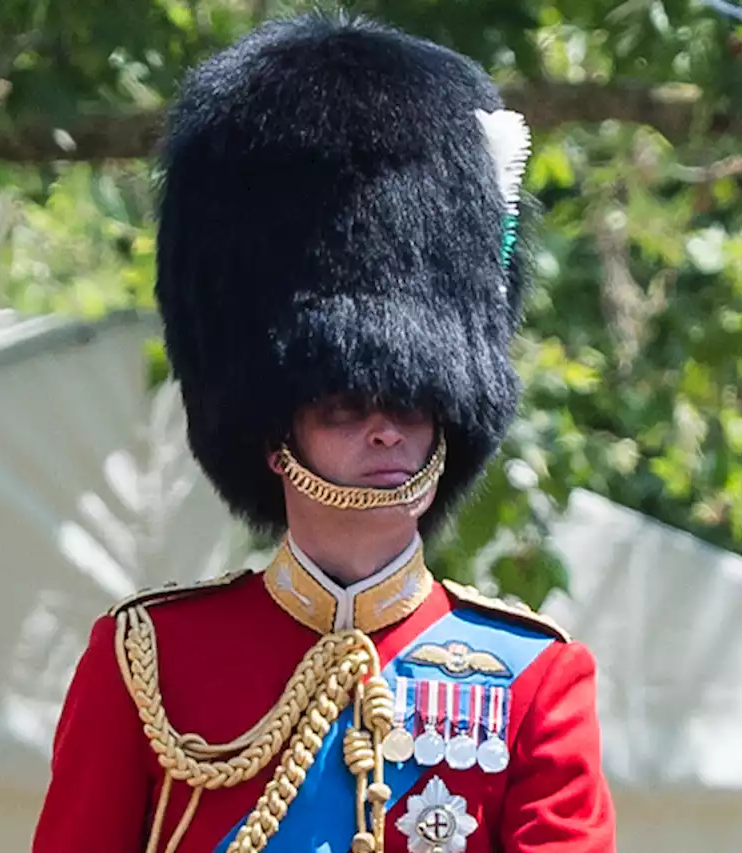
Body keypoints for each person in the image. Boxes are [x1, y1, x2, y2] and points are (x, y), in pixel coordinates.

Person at [32, 12, 617, 853]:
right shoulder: (151, 660)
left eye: (413, 402)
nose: (385, 430)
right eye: (344, 405)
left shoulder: (532, 678)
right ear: (277, 435)